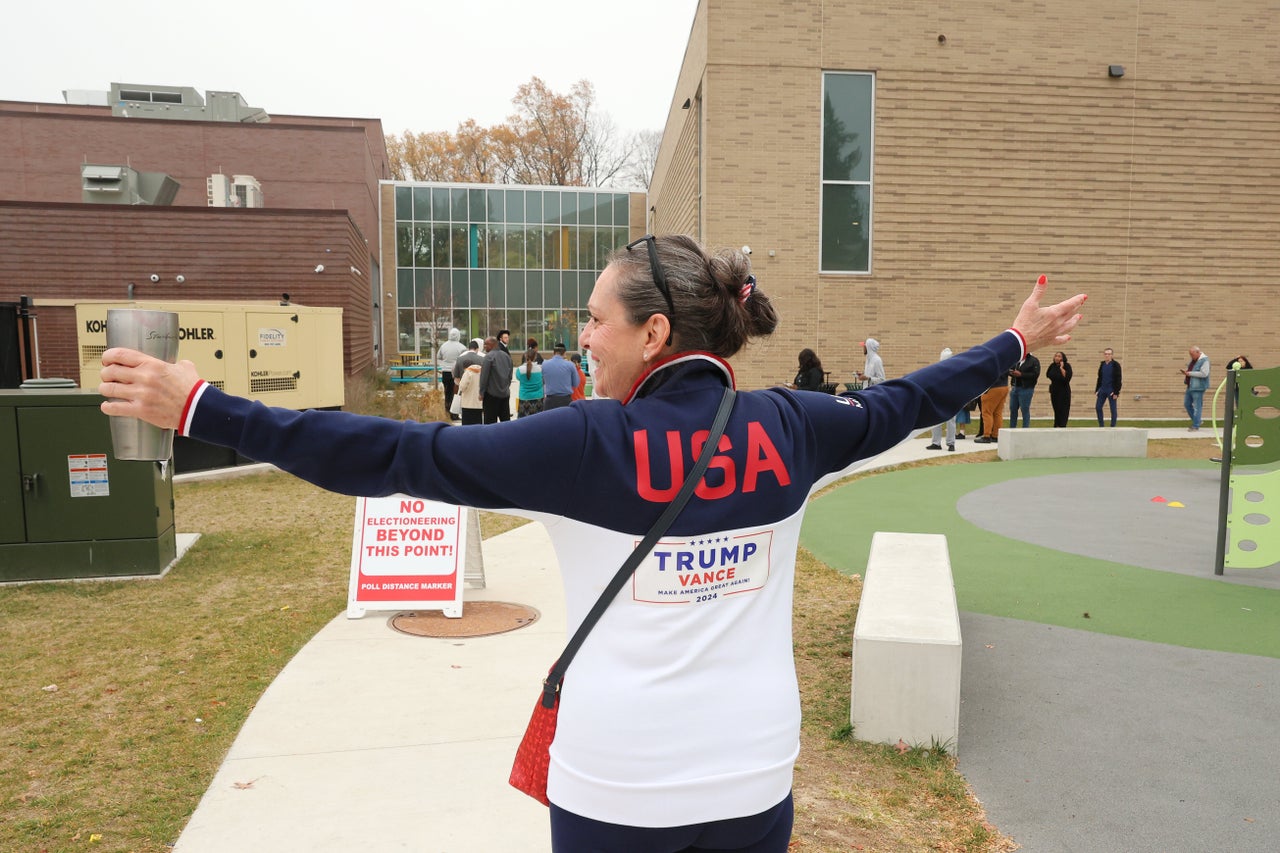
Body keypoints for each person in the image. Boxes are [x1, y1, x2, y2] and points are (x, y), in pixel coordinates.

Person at [98, 233, 1085, 852]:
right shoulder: (791, 425)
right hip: (753, 774)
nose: (583, 339)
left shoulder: (581, 441)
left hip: (619, 786)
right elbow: (909, 398)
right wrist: (1012, 342)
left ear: (654, 333)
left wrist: (207, 407)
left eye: (594, 319)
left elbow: (395, 455)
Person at [927, 347, 957, 451]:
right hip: (950, 398)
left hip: (942, 398)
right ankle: (950, 443)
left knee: (937, 420)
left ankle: (937, 443)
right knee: (950, 421)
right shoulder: (956, 370)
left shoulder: (937, 370)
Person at [479, 336, 513, 423]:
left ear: (492, 344)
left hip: (491, 396)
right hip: (505, 395)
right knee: (505, 422)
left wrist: (481, 392)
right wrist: (505, 387)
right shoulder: (507, 356)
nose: (484, 347)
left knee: (490, 423)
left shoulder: (488, 357)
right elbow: (510, 376)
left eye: (486, 344)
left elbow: (484, 377)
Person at [435, 328, 467, 417]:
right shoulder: (462, 347)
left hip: (445, 372)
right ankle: (454, 414)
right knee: (455, 394)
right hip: (456, 373)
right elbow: (465, 360)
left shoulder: (443, 346)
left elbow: (439, 356)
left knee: (447, 393)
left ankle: (447, 411)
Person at [1007, 351, 1040, 428]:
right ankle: (1012, 428)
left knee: (1024, 409)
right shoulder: (1016, 360)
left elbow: (1035, 374)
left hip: (1026, 388)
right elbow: (1009, 370)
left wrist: (1021, 374)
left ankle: (1025, 429)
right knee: (1013, 409)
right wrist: (1011, 372)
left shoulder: (1033, 361)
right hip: (1015, 388)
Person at [1181, 346, 1210, 431]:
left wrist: (1189, 373)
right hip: (1190, 386)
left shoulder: (1205, 360)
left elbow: (1204, 373)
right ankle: (1198, 420)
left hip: (1198, 387)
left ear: (1198, 352)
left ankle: (1195, 426)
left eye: (1192, 354)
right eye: (1190, 355)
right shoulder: (1194, 360)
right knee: (1187, 404)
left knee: (1197, 406)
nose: (1191, 356)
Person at [543, 343, 580, 410]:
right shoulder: (570, 365)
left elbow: (542, 381)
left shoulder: (544, 364)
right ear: (564, 353)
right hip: (565, 401)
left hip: (549, 401)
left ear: (553, 353)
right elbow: (576, 384)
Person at [973, 377, 1009, 444]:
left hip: (992, 387)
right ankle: (995, 435)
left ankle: (986, 436)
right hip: (1004, 386)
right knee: (997, 413)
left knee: (987, 412)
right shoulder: (1004, 365)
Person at [516, 343, 545, 418]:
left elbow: (518, 378)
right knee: (538, 421)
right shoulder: (541, 368)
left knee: (523, 422)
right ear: (535, 357)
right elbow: (543, 380)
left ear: (525, 356)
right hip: (538, 398)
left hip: (524, 398)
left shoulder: (520, 369)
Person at [1095, 347, 1121, 427]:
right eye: (1105, 354)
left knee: (1113, 410)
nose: (1107, 355)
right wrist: (1097, 389)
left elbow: (1119, 379)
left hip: (1111, 390)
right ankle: (1101, 426)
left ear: (1112, 355)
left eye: (1109, 354)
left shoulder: (1116, 365)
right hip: (1102, 389)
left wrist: (1116, 392)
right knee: (1098, 407)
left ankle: (1112, 426)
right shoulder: (1102, 364)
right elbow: (1099, 377)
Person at [1046, 351, 1073, 427]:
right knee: (1056, 409)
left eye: (1059, 356)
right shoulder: (1052, 366)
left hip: (1064, 391)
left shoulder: (1067, 366)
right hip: (1054, 391)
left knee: (1063, 410)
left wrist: (1061, 368)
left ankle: (1062, 425)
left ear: (1063, 358)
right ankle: (1056, 425)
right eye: (1056, 356)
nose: (1057, 358)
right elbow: (1048, 374)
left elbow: (1067, 377)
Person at [455, 358, 484, 426]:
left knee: (467, 425)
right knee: (477, 424)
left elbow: (462, 387)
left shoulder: (468, 372)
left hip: (467, 404)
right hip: (479, 404)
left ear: (465, 367)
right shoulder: (482, 371)